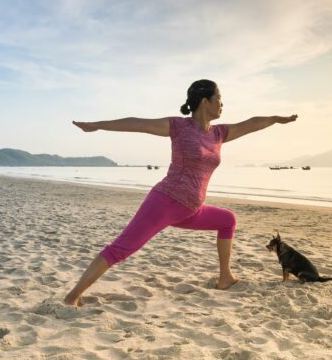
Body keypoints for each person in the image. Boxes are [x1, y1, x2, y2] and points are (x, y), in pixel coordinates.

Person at [63, 79, 298, 307]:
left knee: (227, 220)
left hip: (191, 210)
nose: (222, 104)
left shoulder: (218, 133)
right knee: (120, 250)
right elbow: (137, 123)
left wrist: (276, 119)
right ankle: (72, 297)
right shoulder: (178, 126)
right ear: (205, 101)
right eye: (219, 98)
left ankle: (225, 278)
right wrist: (97, 125)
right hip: (165, 203)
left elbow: (251, 123)